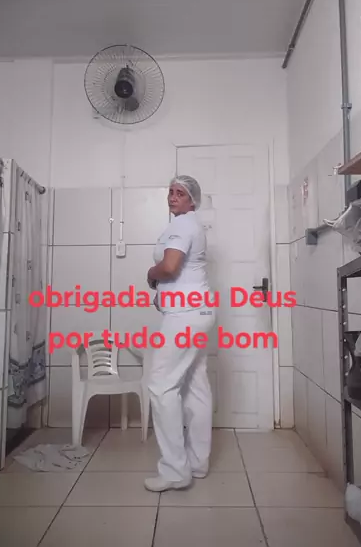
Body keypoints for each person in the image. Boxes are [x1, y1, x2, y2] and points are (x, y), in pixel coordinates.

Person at [144, 175, 215, 492]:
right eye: (171, 192)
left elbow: (170, 266)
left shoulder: (183, 224)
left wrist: (151, 274)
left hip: (185, 315)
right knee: (196, 386)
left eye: (180, 193)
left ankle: (175, 471)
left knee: (161, 385)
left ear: (192, 200)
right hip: (198, 313)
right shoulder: (192, 225)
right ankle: (198, 463)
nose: (173, 197)